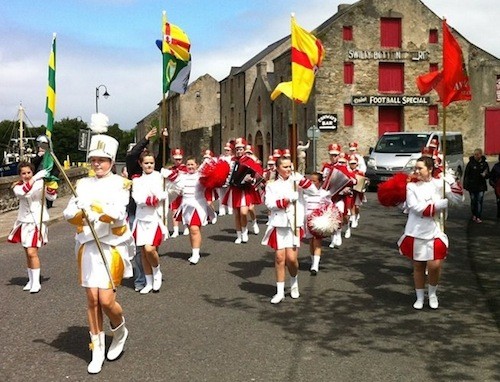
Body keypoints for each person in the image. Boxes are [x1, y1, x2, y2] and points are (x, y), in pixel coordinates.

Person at [63, 123, 133, 374]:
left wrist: (95, 210)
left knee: (106, 300)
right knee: (91, 299)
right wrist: (78, 211)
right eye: (94, 160)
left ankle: (120, 330)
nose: (97, 164)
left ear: (112, 161)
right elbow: (68, 213)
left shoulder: (121, 185)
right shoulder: (82, 185)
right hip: (88, 247)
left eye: (102, 160)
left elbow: (118, 214)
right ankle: (97, 348)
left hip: (110, 247)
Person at [397, 156, 462, 310]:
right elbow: (416, 208)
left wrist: (451, 182)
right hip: (416, 230)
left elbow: (458, 200)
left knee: (435, 265)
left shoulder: (439, 184)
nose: (416, 171)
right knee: (419, 265)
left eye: (420, 168)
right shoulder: (411, 187)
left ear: (430, 169)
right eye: (416, 168)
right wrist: (440, 204)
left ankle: (432, 294)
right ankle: (419, 297)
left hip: (435, 230)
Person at [262, 156, 318, 304]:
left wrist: (304, 182)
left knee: (292, 259)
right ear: (278, 168)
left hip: (294, 224)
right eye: (285, 167)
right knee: (280, 258)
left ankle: (294, 282)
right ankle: (279, 291)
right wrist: (285, 201)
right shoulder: (271, 185)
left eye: (290, 167)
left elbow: (314, 192)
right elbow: (269, 203)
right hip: (279, 223)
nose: (288, 169)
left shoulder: (297, 181)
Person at [8, 163, 57, 293]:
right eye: (23, 173)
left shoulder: (40, 183)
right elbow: (23, 192)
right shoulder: (17, 187)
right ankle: (31, 280)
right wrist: (35, 179)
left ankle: (36, 282)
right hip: (24, 221)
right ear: (20, 175)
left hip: (37, 222)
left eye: (29, 173)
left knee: (32, 252)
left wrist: (50, 185)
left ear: (32, 172)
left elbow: (52, 197)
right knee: (27, 253)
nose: (26, 175)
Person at [162, 156, 216, 264]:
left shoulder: (201, 176)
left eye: (192, 164)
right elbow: (171, 178)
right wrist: (164, 173)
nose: (190, 166)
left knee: (194, 229)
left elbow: (212, 180)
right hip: (186, 205)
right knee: (192, 230)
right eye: (188, 165)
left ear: (197, 165)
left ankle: (195, 254)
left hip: (198, 205)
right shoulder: (182, 176)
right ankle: (194, 250)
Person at [125, 127, 159, 292]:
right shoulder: (134, 169)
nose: (148, 163)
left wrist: (163, 140)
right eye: (144, 158)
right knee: (140, 249)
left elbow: (158, 159)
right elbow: (132, 154)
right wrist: (145, 138)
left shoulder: (154, 172)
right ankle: (142, 279)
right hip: (135, 212)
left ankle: (154, 273)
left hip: (153, 215)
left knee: (150, 249)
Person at [131, 150, 169, 294]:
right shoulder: (136, 180)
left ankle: (157, 272)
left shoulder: (160, 177)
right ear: (141, 164)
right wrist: (156, 197)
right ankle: (148, 281)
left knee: (150, 249)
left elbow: (177, 187)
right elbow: (138, 199)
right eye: (146, 163)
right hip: (141, 219)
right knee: (143, 252)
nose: (149, 165)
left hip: (155, 219)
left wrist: (171, 175)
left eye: (151, 163)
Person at [222, 138, 263, 244]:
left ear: (244, 149)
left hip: (245, 190)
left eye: (241, 149)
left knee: (244, 212)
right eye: (237, 149)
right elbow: (225, 173)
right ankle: (239, 235)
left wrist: (252, 179)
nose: (239, 151)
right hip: (235, 189)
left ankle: (248, 229)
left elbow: (258, 174)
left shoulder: (249, 161)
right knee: (237, 214)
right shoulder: (232, 161)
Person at [303, 172, 331, 275]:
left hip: (318, 221)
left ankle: (315, 265)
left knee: (317, 241)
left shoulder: (324, 193)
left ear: (320, 182)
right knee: (311, 241)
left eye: (314, 181)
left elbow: (330, 207)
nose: (311, 183)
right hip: (307, 219)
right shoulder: (305, 193)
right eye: (310, 180)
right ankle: (313, 261)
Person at [463, 148, 490, 223]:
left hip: (481, 186)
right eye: (474, 154)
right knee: (473, 201)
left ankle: (478, 216)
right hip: (472, 186)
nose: (476, 156)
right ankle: (474, 214)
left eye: (477, 154)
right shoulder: (471, 163)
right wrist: (465, 185)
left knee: (479, 201)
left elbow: (488, 174)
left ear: (480, 155)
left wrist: (485, 175)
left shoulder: (485, 164)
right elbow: (466, 175)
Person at [489, 154, 500, 218]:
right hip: (498, 187)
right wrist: (493, 183)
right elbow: (491, 176)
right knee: (499, 201)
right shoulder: (496, 166)